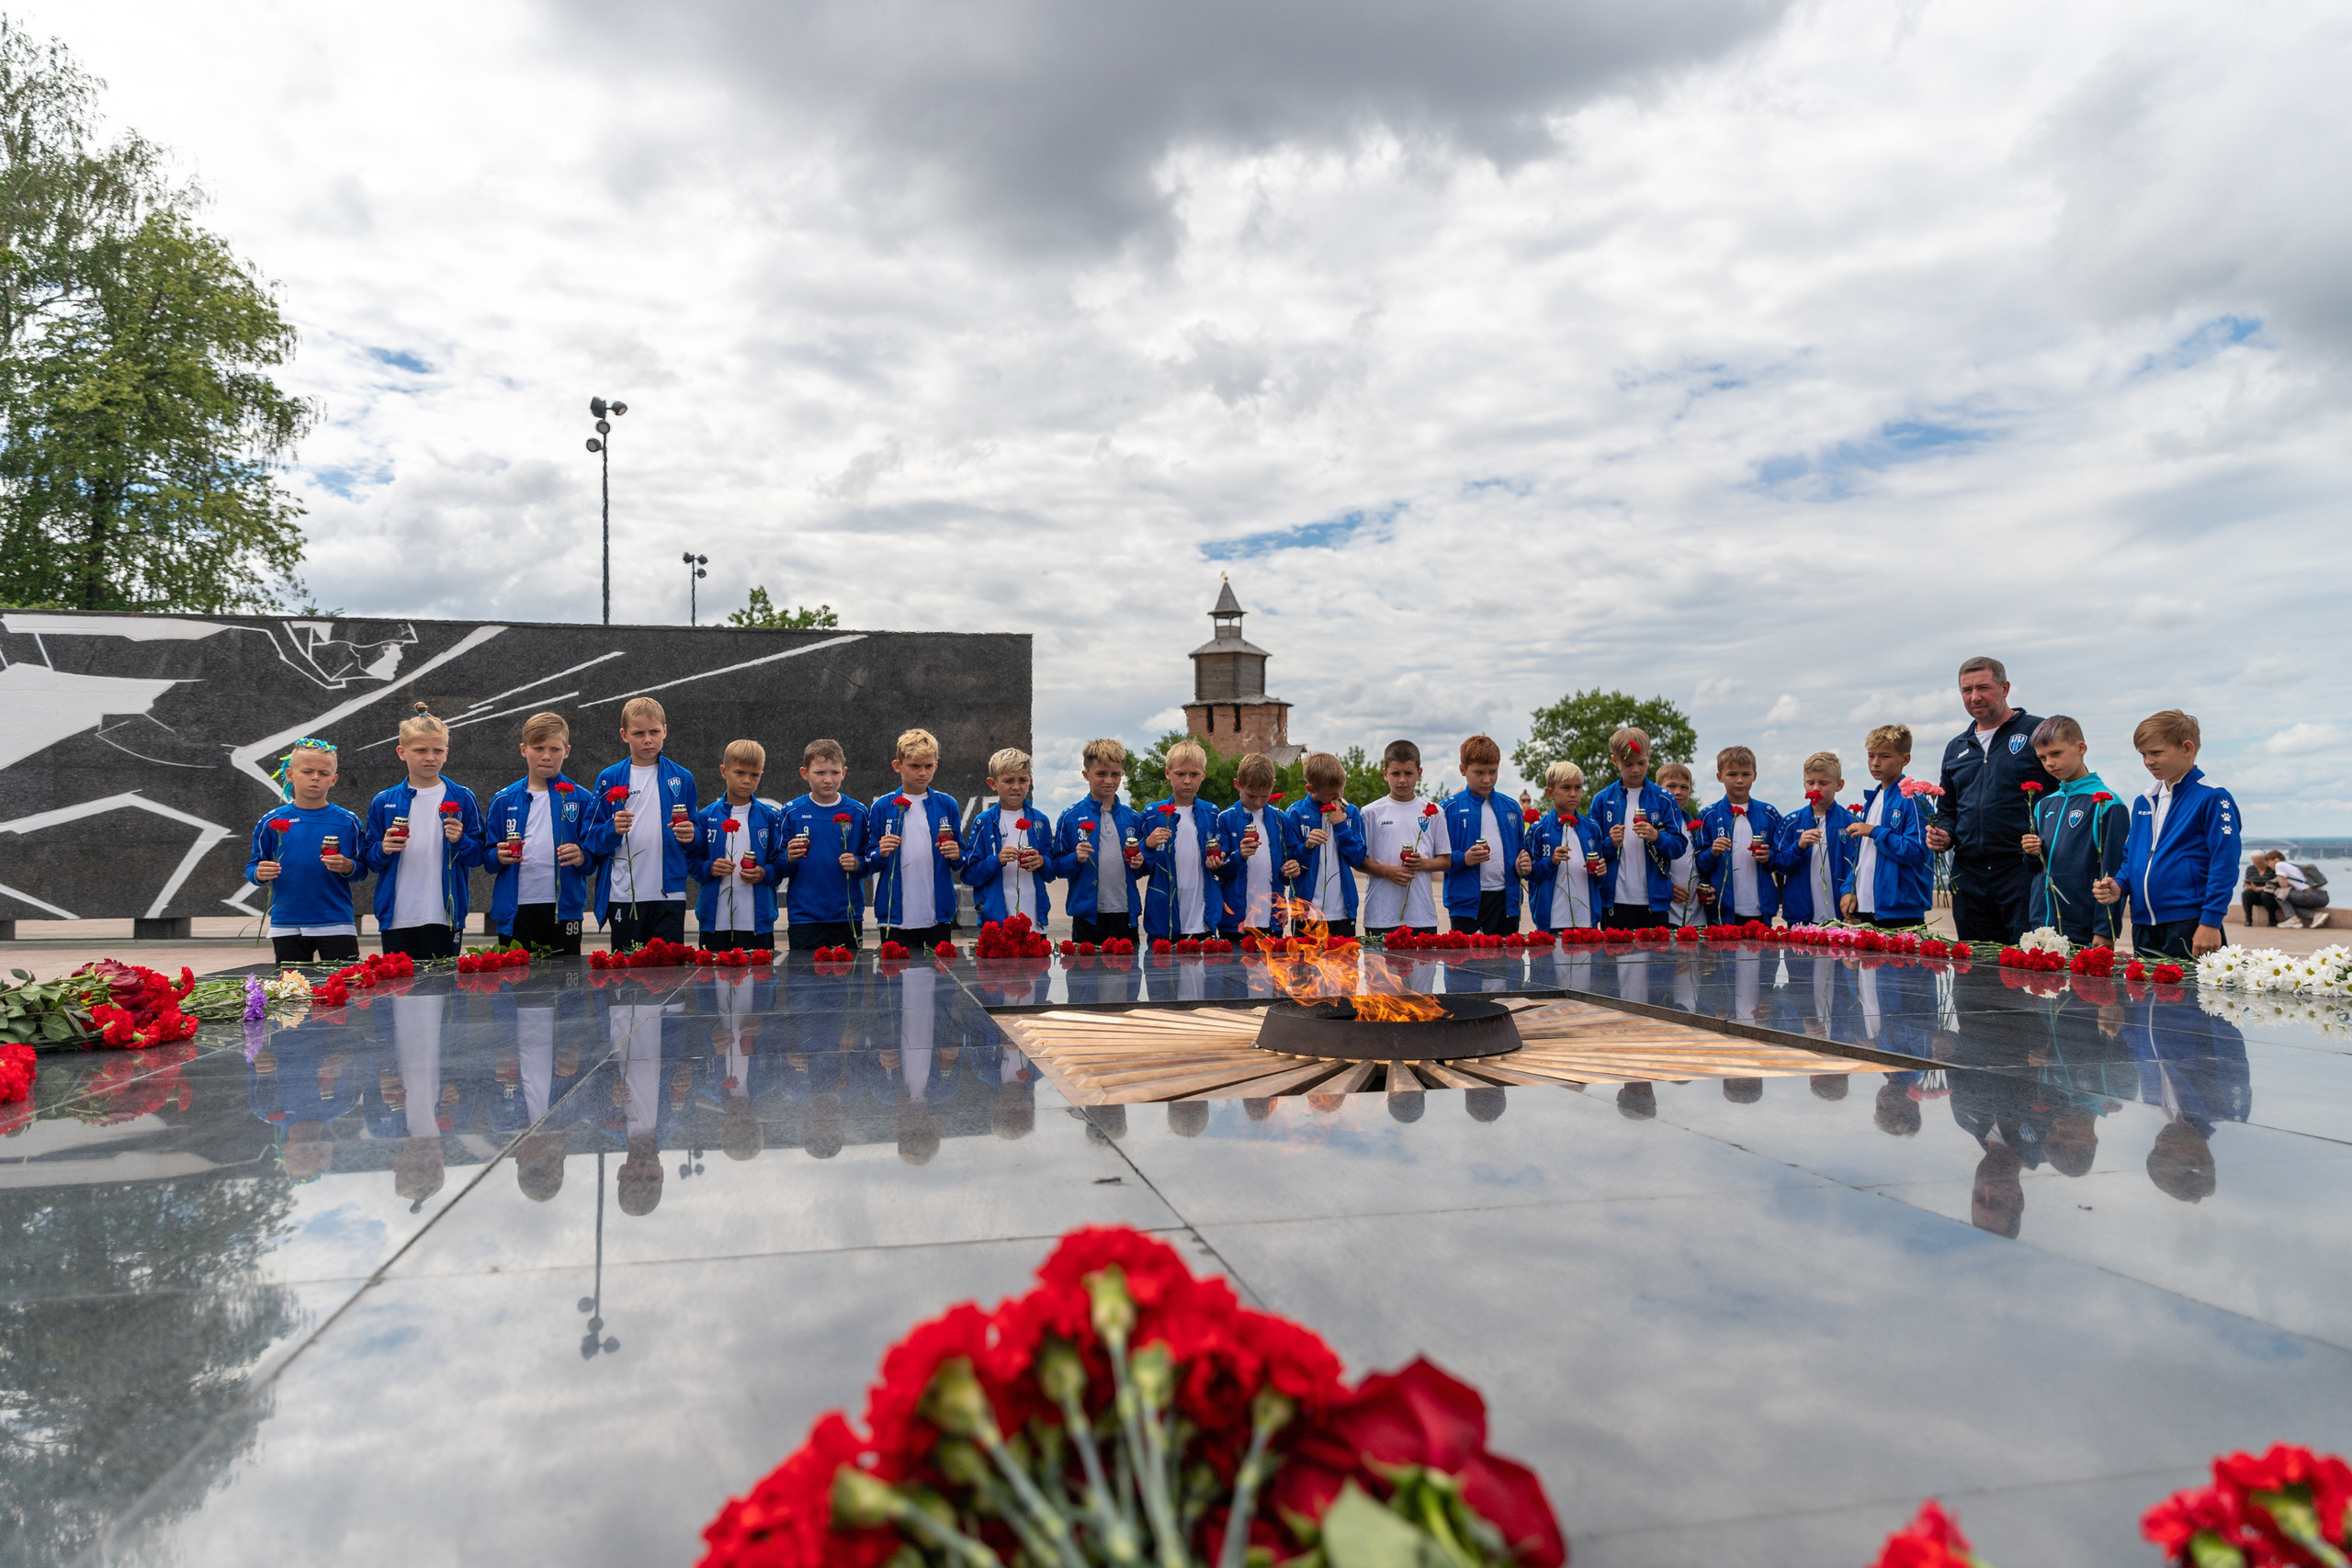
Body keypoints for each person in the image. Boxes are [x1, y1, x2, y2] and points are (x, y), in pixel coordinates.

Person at [1927, 657, 2059, 942]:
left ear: (2005, 687)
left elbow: (2062, 794)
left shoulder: (2037, 732)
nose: (1974, 697)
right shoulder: (1956, 747)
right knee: (1975, 971)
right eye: (1966, 690)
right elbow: (1947, 808)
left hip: (2022, 870)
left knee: (2028, 965)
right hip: (1968, 875)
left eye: (1983, 688)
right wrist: (1944, 834)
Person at [2095, 709, 2239, 959]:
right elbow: (2132, 859)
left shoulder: (2214, 798)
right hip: (2143, 925)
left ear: (2187, 748)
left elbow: (2224, 863)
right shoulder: (2144, 801)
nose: (2148, 761)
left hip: (2190, 923)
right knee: (2146, 998)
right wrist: (2119, 885)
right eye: (2143, 754)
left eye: (2156, 752)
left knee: (2192, 998)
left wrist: (2211, 921)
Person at [359, 704, 486, 961]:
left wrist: (461, 840)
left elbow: (479, 855)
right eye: (420, 750)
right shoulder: (383, 801)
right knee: (399, 990)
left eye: (437, 750)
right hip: (397, 916)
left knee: (445, 992)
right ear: (401, 752)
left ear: (446, 753)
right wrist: (383, 849)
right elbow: (369, 859)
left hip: (445, 915)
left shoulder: (463, 797)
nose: (430, 757)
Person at [585, 696, 699, 951]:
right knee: (626, 980)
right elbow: (590, 838)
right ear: (624, 735)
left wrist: (692, 834)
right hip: (624, 894)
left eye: (654, 732)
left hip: (670, 895)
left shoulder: (682, 777)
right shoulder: (609, 778)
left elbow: (697, 833)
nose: (648, 739)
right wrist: (611, 829)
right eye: (639, 733)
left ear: (665, 731)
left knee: (670, 975)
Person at [245, 738, 368, 964]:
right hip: (286, 923)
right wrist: (259, 874)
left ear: (334, 779)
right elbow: (253, 866)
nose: (315, 777)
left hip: (335, 921)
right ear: (290, 775)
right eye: (307, 771)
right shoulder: (271, 821)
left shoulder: (347, 821)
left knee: (347, 991)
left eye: (323, 773)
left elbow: (362, 870)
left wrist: (348, 866)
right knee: (292, 992)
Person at [483, 712, 594, 954]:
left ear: (567, 751)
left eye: (555, 749)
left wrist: (582, 856)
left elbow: (592, 860)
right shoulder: (503, 799)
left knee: (566, 987)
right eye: (538, 748)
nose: (546, 756)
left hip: (564, 910)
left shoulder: (582, 798)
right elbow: (488, 859)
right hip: (515, 910)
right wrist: (498, 856)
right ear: (523, 749)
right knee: (514, 985)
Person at [2018, 716, 2127, 946]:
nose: (2049, 763)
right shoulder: (2043, 805)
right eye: (2042, 757)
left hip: (2082, 927)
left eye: (2056, 753)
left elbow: (2113, 872)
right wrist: (2030, 853)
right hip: (2041, 926)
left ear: (2081, 748)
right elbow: (2036, 868)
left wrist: (2105, 930)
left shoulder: (2107, 804)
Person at [864, 728, 964, 951]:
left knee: (939, 982)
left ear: (936, 765)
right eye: (915, 766)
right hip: (895, 915)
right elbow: (869, 861)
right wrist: (880, 853)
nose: (923, 773)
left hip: (937, 914)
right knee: (895, 981)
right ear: (897, 766)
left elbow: (961, 858)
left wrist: (957, 854)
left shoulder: (947, 804)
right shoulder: (882, 806)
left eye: (928, 766)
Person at [1588, 728, 1687, 930]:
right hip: (1613, 902)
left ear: (1649, 756)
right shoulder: (1602, 799)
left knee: (1656, 962)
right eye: (1628, 764)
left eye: (1641, 763)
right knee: (1611, 961)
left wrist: (1657, 836)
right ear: (1615, 760)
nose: (1635, 770)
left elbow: (1679, 846)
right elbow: (1591, 851)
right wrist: (1610, 843)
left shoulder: (1664, 799)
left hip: (1655, 903)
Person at [693, 739, 786, 952]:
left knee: (761, 982)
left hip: (757, 923)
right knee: (711, 983)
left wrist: (764, 872)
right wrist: (708, 868)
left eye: (755, 775)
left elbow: (780, 866)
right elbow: (691, 863)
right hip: (715, 923)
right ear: (724, 771)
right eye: (740, 773)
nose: (747, 781)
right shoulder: (706, 817)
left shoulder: (771, 817)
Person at [1839, 724, 1933, 929]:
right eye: (1871, 756)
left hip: (1900, 912)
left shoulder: (1913, 800)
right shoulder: (1873, 799)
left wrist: (1874, 831)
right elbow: (1861, 856)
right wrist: (1849, 889)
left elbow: (1917, 852)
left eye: (1884, 756)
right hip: (1865, 909)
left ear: (1905, 759)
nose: (1875, 763)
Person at [1055, 739, 1147, 947]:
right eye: (1101, 774)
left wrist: (1140, 862)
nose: (1109, 780)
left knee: (1127, 976)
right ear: (1086, 775)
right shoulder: (1070, 817)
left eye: (1115, 774)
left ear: (1122, 774)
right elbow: (1056, 867)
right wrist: (1075, 859)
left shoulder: (1133, 818)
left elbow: (1143, 868)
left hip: (1126, 914)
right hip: (1087, 917)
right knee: (1085, 978)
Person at [779, 739, 868, 952]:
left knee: (849, 982)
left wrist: (857, 864)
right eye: (820, 773)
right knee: (804, 980)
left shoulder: (858, 812)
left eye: (835, 772)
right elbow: (777, 867)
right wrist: (789, 858)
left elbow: (871, 861)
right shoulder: (791, 812)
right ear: (804, 773)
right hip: (804, 917)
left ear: (844, 772)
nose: (828, 779)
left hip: (847, 915)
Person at [1358, 739, 1448, 941]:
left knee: (1423, 972)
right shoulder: (1370, 812)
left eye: (1408, 773)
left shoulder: (1434, 812)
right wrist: (1388, 871)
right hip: (1381, 916)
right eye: (1395, 773)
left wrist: (1423, 863)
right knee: (1381, 973)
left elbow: (1446, 860)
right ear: (1384, 773)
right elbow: (1359, 861)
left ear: (1419, 773)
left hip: (1421, 916)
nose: (1402, 780)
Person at [1441, 734, 1531, 935]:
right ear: (1463, 769)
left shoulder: (1511, 807)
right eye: (1479, 772)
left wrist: (1522, 862)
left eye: (1493, 771)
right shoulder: (1448, 808)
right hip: (1466, 904)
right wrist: (1463, 858)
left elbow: (1521, 847)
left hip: (1507, 902)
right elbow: (1436, 856)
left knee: (1507, 964)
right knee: (1465, 965)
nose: (1487, 779)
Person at [1138, 739, 1227, 943]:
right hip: (1163, 918)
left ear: (1203, 775)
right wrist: (1148, 846)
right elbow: (1138, 866)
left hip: (1203, 918)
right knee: (1164, 975)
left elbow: (1223, 854)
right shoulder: (1152, 814)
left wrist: (1219, 861)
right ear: (1168, 773)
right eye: (1180, 774)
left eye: (1194, 774)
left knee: (1204, 974)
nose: (1187, 780)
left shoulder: (1212, 812)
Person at [961, 747, 1055, 928]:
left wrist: (1042, 862)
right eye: (1008, 780)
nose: (1016, 786)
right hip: (997, 923)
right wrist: (996, 861)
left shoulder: (1040, 821)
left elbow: (1051, 872)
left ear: (1030, 782)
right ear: (992, 783)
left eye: (1023, 780)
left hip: (1035, 921)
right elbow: (969, 874)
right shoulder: (984, 822)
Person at [1692, 746, 1782, 928]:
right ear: (1720, 777)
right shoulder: (1708, 815)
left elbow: (1781, 859)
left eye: (1746, 774)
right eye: (1732, 774)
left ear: (1755, 776)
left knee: (1761, 956)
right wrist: (1713, 852)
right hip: (1721, 913)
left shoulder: (1769, 813)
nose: (1739, 780)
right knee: (1725, 957)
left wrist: (1769, 857)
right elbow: (1698, 864)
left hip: (1761, 911)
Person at [1772, 751, 1858, 928]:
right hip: (1800, 918)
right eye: (1810, 782)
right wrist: (1799, 846)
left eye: (1823, 783)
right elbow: (1778, 864)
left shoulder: (1850, 822)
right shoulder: (1791, 822)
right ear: (1804, 783)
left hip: (1841, 918)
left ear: (1839, 785)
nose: (1816, 788)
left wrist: (1851, 893)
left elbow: (1858, 866)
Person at [1217, 753, 1299, 937]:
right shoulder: (1225, 819)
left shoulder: (1281, 819)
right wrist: (1239, 856)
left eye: (1265, 796)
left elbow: (1288, 869)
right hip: (1234, 922)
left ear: (1273, 785)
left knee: (1273, 967)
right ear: (1237, 784)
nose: (1258, 802)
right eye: (1252, 795)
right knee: (1232, 967)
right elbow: (1219, 870)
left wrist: (1290, 870)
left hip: (1272, 921)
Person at [1286, 751, 1367, 935]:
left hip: (1342, 912)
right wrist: (1306, 847)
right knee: (1304, 964)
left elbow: (1357, 858)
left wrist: (1340, 826)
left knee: (1344, 963)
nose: (1338, 796)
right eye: (1331, 793)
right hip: (1306, 912)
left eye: (1341, 789)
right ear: (1311, 789)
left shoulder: (1351, 813)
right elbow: (1289, 861)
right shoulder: (1296, 812)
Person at [1526, 761, 1604, 933]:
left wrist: (1601, 872)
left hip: (1587, 921)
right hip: (1551, 922)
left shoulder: (1593, 828)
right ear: (1549, 793)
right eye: (1566, 788)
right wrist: (1551, 861)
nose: (1573, 793)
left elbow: (1600, 880)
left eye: (1578, 788)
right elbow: (1530, 874)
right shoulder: (1538, 829)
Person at [1655, 762, 1705, 930]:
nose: (1678, 792)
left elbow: (1699, 864)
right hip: (1667, 912)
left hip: (1697, 912)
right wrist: (1668, 888)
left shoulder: (1694, 826)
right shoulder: (1652, 825)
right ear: (1657, 788)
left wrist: (1708, 886)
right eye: (1671, 786)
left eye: (1684, 787)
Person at [2271, 854, 2332, 930]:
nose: (2268, 866)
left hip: (2313, 895)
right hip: (2323, 896)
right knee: (2289, 905)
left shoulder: (2279, 865)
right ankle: (2316, 915)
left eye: (2268, 862)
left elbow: (2283, 886)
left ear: (2276, 859)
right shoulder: (2292, 864)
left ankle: (2293, 920)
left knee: (2279, 895)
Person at [2241, 851, 2285, 928]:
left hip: (2269, 894)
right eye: (2254, 863)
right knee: (2246, 894)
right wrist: (2247, 886)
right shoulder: (2251, 869)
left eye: (2258, 863)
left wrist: (2259, 889)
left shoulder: (2271, 869)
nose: (2256, 865)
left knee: (2266, 895)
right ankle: (2248, 920)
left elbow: (2275, 885)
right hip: (2254, 894)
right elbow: (2247, 881)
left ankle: (2272, 920)